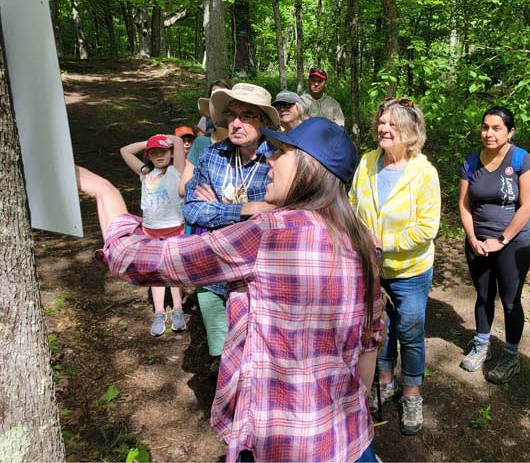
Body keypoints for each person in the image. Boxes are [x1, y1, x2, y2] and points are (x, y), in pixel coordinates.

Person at [78, 117, 382, 462]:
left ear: (310, 167)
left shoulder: (267, 232)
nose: (269, 159)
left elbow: (140, 259)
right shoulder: (361, 240)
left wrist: (106, 192)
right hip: (351, 441)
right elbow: (370, 341)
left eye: (282, 152)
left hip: (282, 446)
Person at [349, 97, 440, 435]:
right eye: (382, 122)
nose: (383, 129)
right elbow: (352, 204)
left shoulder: (423, 173)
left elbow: (427, 228)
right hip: (371, 268)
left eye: (393, 125)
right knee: (378, 327)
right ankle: (384, 380)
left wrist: (383, 243)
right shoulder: (368, 162)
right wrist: (360, 238)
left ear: (410, 133)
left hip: (410, 271)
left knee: (410, 331)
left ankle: (412, 392)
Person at [183, 83, 280, 371]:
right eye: (232, 115)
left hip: (260, 274)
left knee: (260, 356)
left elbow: (279, 215)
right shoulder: (213, 155)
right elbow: (191, 209)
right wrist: (245, 209)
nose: (235, 123)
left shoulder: (278, 158)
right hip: (215, 270)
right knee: (223, 355)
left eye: (246, 116)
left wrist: (216, 209)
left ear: (263, 120)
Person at [458, 106, 530, 384]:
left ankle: (511, 355)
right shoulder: (471, 162)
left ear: (510, 131)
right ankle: (482, 345)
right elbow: (464, 204)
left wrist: (501, 240)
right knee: (483, 295)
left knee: (510, 300)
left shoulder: (522, 161)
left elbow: (527, 207)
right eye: (485, 127)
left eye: (496, 128)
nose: (488, 133)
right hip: (478, 242)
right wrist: (473, 239)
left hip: (512, 244)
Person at [119, 134, 188, 336]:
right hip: (150, 230)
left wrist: (167, 139)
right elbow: (125, 151)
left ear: (170, 153)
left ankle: (177, 309)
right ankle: (159, 312)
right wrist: (149, 142)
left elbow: (177, 142)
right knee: (154, 271)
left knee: (174, 271)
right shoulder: (145, 173)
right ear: (148, 156)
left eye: (162, 151)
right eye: (154, 153)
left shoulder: (177, 171)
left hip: (175, 228)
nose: (159, 155)